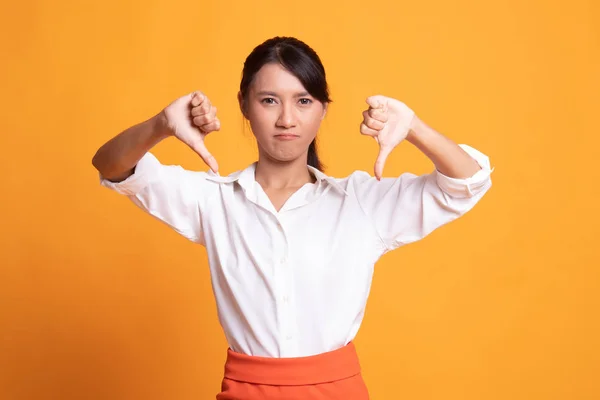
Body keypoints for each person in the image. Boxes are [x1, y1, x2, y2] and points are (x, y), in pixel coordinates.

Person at [92, 36, 493, 400]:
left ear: (322, 111)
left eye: (303, 101)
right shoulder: (214, 201)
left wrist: (415, 129)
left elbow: (467, 182)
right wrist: (161, 125)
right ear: (244, 106)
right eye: (269, 100)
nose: (287, 119)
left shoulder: (360, 203)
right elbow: (113, 167)